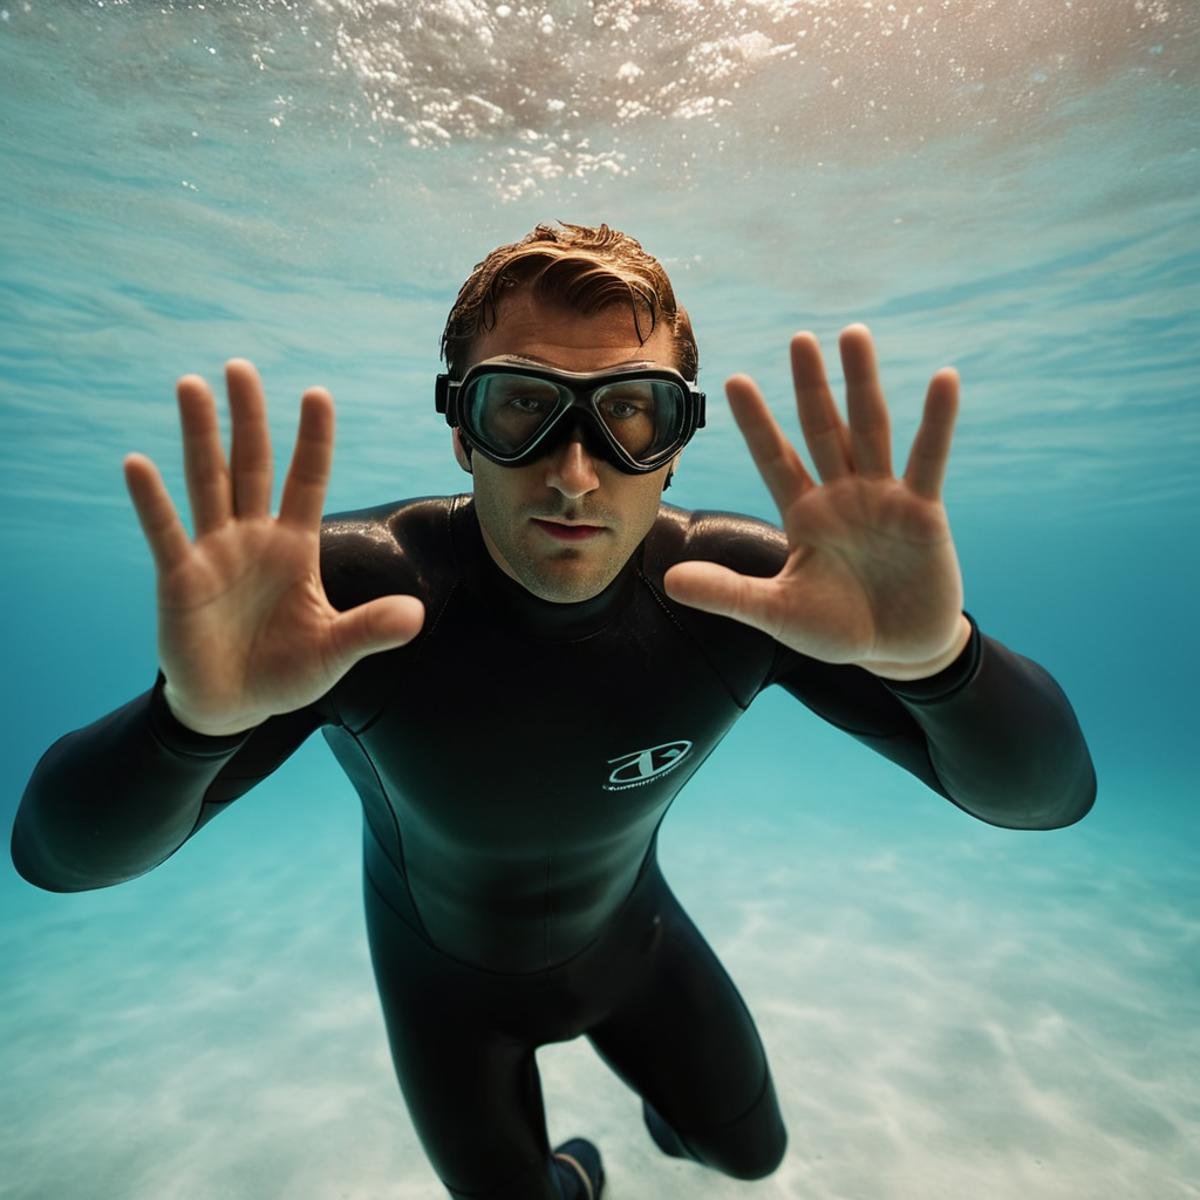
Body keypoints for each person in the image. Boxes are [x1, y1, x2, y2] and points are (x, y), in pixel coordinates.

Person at [11, 221, 1096, 1200]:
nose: (576, 477)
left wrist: (940, 661)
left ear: (674, 443)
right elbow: (58, 858)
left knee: (749, 1158)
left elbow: (1046, 801)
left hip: (638, 949)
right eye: (523, 406)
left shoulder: (748, 595)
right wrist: (185, 724)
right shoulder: (345, 601)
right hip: (444, 994)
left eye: (631, 412)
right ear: (460, 431)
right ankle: (576, 1179)